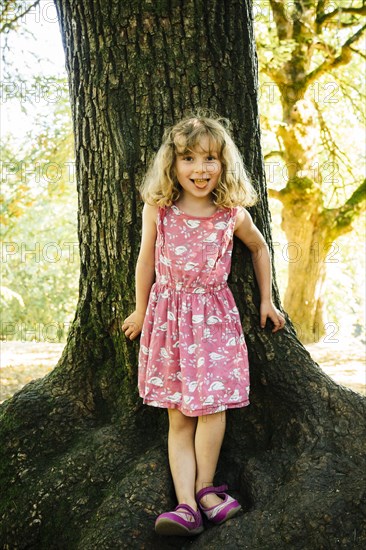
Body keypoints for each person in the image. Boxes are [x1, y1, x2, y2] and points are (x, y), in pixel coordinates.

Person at [122, 115, 285, 536]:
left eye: (210, 159)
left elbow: (259, 248)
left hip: (214, 322)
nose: (200, 169)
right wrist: (140, 311)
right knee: (179, 416)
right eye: (189, 159)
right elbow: (145, 261)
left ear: (223, 163)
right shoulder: (160, 209)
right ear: (172, 166)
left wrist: (267, 300)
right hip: (169, 321)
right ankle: (184, 506)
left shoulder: (231, 215)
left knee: (212, 409)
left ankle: (206, 490)